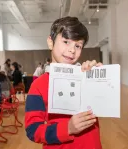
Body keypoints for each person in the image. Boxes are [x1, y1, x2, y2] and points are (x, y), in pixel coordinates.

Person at [25, 16, 102, 149]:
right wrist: (67, 128)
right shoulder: (38, 86)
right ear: (50, 42)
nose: (72, 50)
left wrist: (98, 78)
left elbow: (103, 104)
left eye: (78, 45)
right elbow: (33, 130)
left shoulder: (85, 75)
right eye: (66, 41)